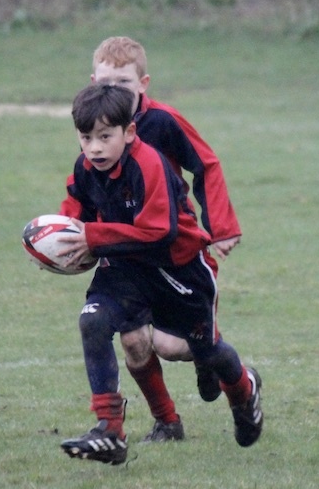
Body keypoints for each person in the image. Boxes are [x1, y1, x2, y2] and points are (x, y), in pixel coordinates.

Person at [56, 84, 262, 465]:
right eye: (86, 138)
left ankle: (243, 389)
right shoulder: (85, 167)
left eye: (105, 137)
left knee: (206, 350)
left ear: (129, 132)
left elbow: (159, 232)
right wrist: (56, 242)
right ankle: (110, 431)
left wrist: (94, 237)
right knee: (93, 322)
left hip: (179, 269)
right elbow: (76, 210)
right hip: (127, 268)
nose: (95, 148)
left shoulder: (148, 164)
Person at [83, 36, 244, 442]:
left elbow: (206, 164)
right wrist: (70, 235)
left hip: (172, 248)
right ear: (93, 83)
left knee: (173, 347)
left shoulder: (163, 122)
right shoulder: (96, 129)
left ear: (143, 84)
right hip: (128, 252)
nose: (114, 91)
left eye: (123, 83)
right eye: (106, 83)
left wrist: (221, 227)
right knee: (133, 341)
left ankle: (209, 357)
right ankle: (166, 422)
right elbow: (84, 186)